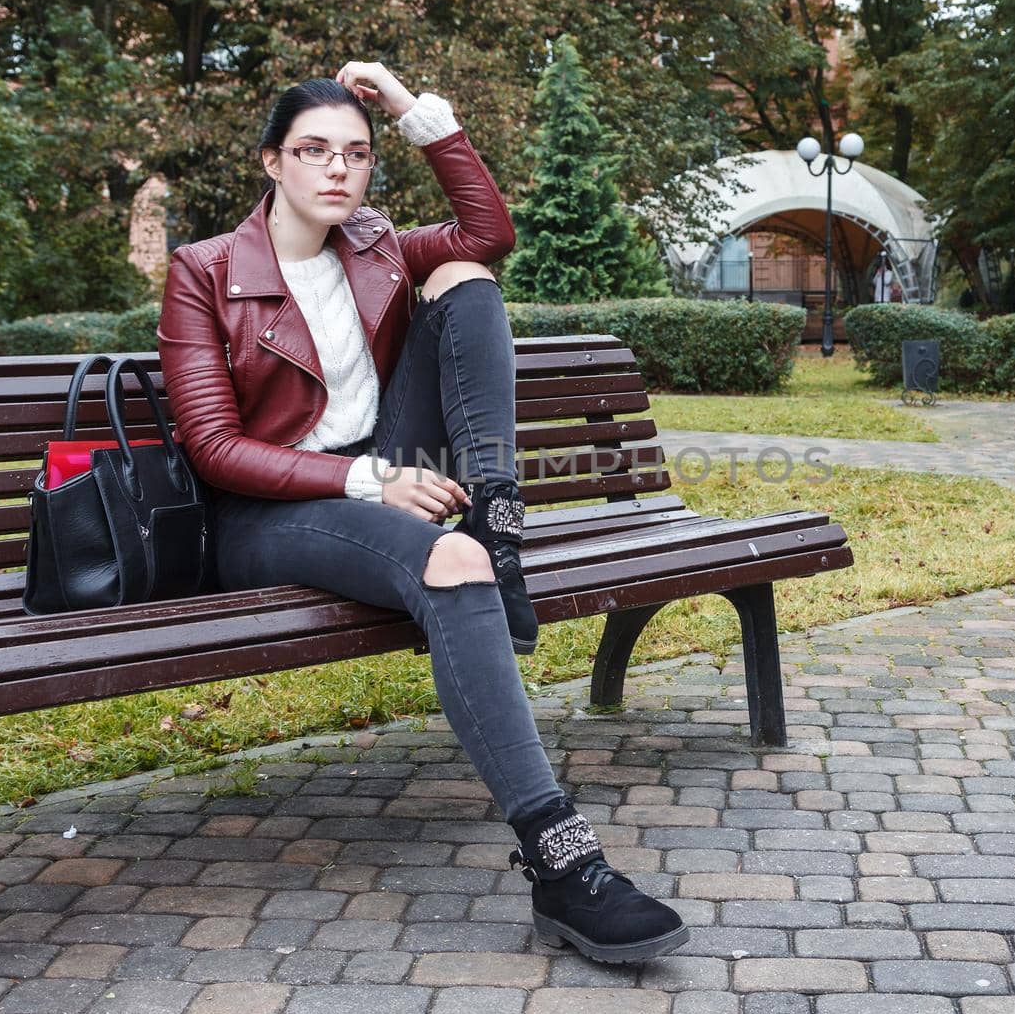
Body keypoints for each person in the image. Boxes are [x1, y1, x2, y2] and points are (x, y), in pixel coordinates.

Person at [156, 62, 688, 964]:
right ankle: (564, 864)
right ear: (272, 163)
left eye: (356, 155)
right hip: (270, 510)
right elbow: (215, 450)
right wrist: (370, 481)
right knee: (449, 563)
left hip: (394, 475)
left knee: (469, 278)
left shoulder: (372, 247)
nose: (337, 170)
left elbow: (488, 231)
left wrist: (411, 109)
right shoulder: (205, 272)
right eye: (314, 151)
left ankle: (497, 518)